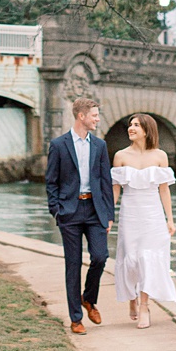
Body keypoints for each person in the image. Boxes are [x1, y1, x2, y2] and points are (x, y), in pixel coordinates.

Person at [44, 97, 114, 335]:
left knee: (100, 257)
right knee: (72, 265)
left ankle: (88, 298)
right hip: (69, 212)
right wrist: (56, 209)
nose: (97, 119)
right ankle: (76, 318)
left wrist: (109, 214)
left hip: (95, 211)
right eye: (94, 115)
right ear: (81, 116)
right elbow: (51, 181)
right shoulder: (59, 145)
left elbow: (106, 182)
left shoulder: (100, 146)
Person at [110, 113, 176, 328]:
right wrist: (109, 217)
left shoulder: (160, 156)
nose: (131, 128)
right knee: (130, 256)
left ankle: (144, 306)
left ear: (147, 130)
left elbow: (164, 189)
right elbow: (115, 189)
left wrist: (170, 219)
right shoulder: (120, 156)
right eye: (130, 125)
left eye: (136, 125)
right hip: (130, 212)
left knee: (149, 258)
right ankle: (132, 299)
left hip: (153, 215)